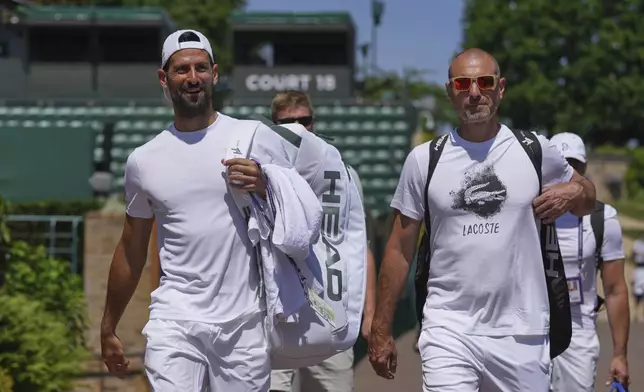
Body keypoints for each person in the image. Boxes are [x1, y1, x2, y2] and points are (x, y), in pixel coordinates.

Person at [367, 48, 596, 392]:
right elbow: (399, 248)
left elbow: (587, 199)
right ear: (450, 91)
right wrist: (381, 330)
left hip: (522, 331)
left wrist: (572, 193)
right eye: (463, 84)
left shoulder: (535, 150)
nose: (474, 93)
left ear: (500, 88)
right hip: (448, 328)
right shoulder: (424, 160)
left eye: (484, 83)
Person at [100, 29, 307, 391]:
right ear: (164, 78)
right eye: (181, 70)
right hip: (175, 320)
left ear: (215, 73)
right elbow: (132, 248)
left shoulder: (254, 137)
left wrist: (265, 183)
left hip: (244, 324)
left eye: (200, 68)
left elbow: (303, 212)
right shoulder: (144, 160)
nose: (192, 78)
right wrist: (108, 326)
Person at [268, 90, 377, 392]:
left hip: (330, 315)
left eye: (305, 120)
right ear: (273, 126)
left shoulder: (343, 175)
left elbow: (358, 249)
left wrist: (369, 314)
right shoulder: (260, 175)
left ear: (314, 122)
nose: (299, 129)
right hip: (279, 318)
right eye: (288, 123)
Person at [548, 132, 630, 391]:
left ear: (584, 168)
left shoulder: (602, 219)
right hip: (530, 327)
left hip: (578, 333)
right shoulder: (529, 209)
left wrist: (619, 354)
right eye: (561, 163)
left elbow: (616, 289)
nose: (567, 170)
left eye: (574, 164)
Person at [632, 237, 644, 322]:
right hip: (638, 268)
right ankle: (636, 313)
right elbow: (632, 254)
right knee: (637, 292)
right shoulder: (637, 243)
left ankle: (642, 314)